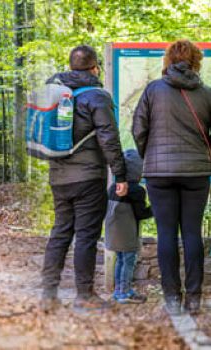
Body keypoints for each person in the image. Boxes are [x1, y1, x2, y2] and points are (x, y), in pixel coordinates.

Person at [41, 45, 128, 312]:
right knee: (87, 235)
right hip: (88, 176)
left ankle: (48, 294)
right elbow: (108, 137)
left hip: (58, 175)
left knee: (60, 232)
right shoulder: (96, 96)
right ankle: (84, 295)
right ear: (95, 68)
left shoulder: (55, 92)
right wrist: (120, 173)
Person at [132, 40, 211, 315]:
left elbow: (139, 129)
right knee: (192, 233)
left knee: (166, 233)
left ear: (168, 60)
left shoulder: (153, 90)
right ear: (196, 61)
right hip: (197, 173)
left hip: (159, 173)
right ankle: (194, 298)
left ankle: (172, 299)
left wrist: (149, 155)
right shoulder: (206, 94)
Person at [105, 149, 152, 304]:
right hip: (127, 234)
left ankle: (119, 291)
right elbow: (141, 214)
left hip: (113, 233)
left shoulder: (113, 187)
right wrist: (156, 208)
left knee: (120, 260)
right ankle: (124, 292)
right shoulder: (137, 191)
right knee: (128, 261)